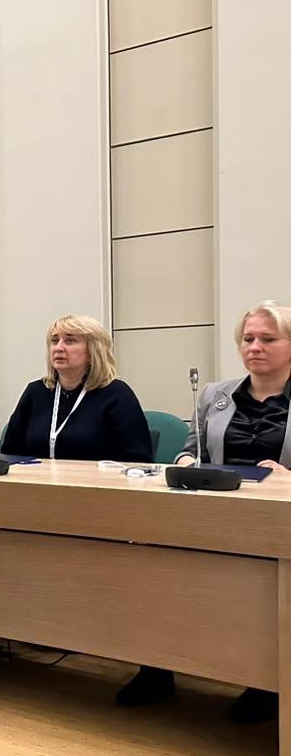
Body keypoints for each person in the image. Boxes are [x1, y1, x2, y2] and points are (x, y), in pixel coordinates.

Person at [117, 300, 291, 721]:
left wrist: (286, 475)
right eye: (248, 338)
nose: (254, 347)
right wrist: (184, 462)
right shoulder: (216, 394)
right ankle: (156, 667)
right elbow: (189, 449)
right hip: (215, 513)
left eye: (267, 339)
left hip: (276, 521)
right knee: (158, 564)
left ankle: (266, 683)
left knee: (258, 586)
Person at [0, 315, 152, 462]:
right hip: (38, 479)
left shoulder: (117, 394)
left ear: (93, 351)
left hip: (97, 480)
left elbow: (139, 460)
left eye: (70, 340)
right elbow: (10, 453)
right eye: (54, 341)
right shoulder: (36, 392)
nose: (58, 348)